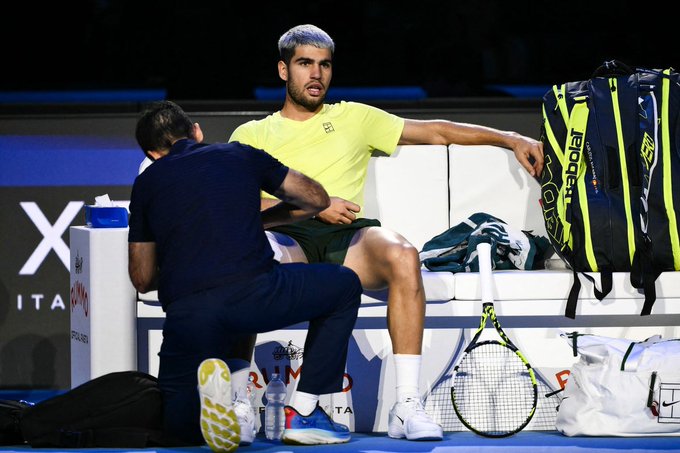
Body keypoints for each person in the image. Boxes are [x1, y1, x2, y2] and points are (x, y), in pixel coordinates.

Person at [227, 24, 545, 442]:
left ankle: (407, 405)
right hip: (288, 237)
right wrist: (315, 207)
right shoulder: (252, 134)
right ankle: (237, 404)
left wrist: (508, 136)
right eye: (305, 63)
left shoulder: (354, 117)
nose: (316, 74)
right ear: (283, 70)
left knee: (402, 254)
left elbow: (436, 131)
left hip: (349, 238)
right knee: (242, 256)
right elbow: (237, 205)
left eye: (324, 65)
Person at [127, 100, 363, 451]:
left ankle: (217, 404)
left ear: (152, 153)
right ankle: (304, 410)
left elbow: (143, 277)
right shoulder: (240, 154)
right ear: (196, 131)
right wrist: (262, 220)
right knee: (344, 285)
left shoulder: (146, 183)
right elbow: (316, 198)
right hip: (257, 294)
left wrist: (187, 258)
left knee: (179, 432)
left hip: (189, 315)